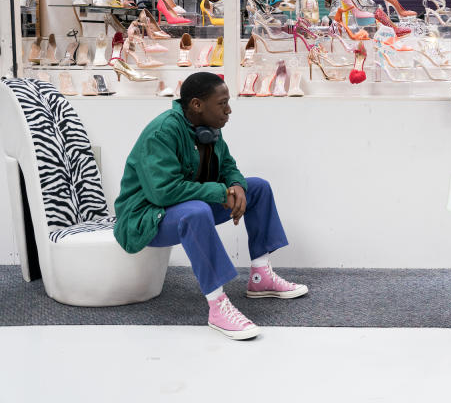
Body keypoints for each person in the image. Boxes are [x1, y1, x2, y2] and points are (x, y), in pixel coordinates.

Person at [114, 72, 307, 339]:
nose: (229, 110)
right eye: (223, 103)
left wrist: (236, 186)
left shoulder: (209, 129)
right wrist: (220, 192)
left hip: (183, 205)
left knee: (257, 188)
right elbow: (163, 192)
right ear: (196, 105)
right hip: (147, 216)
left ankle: (261, 277)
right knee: (197, 211)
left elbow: (227, 165)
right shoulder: (162, 132)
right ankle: (217, 306)